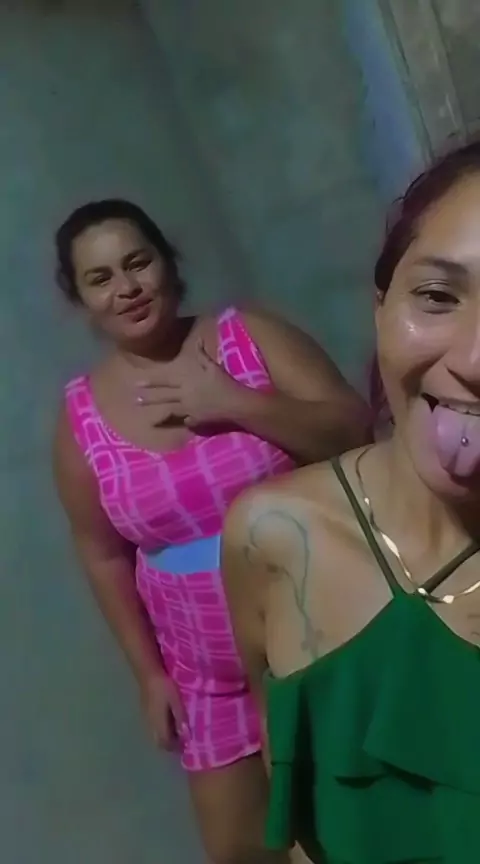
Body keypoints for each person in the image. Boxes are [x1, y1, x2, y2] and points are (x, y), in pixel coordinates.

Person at [52, 198, 369, 864]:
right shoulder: (80, 416)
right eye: (101, 278)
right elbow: (102, 555)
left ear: (169, 263)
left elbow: (354, 431)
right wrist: (149, 675)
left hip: (318, 637)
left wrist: (237, 403)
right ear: (80, 301)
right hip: (205, 672)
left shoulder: (248, 337)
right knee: (237, 849)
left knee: (354, 825)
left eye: (138, 262)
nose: (127, 287)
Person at [222, 137, 480, 864]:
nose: (475, 359)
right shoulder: (272, 536)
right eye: (437, 297)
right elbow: (295, 795)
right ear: (380, 308)